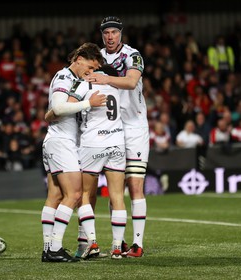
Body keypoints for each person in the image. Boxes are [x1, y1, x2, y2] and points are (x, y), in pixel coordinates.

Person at [50, 65, 127, 259]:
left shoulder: (84, 84)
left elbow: (62, 108)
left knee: (83, 194)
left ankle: (92, 243)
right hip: (117, 142)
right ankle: (117, 247)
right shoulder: (116, 86)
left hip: (93, 144)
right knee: (117, 196)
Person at [87, 16, 149, 257]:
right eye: (106, 33)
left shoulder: (133, 55)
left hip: (134, 128)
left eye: (113, 32)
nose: (109, 36)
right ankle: (119, 243)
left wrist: (105, 78)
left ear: (121, 34)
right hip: (111, 128)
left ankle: (138, 243)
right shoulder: (98, 58)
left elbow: (132, 82)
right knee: (115, 187)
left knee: (134, 185)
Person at [41, 42, 105, 262]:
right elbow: (58, 109)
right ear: (79, 59)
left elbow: (53, 112)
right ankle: (55, 249)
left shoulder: (73, 80)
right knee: (75, 194)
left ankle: (48, 248)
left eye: (95, 69)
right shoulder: (63, 77)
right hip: (62, 142)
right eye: (91, 66)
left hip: (56, 140)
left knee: (55, 196)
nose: (92, 71)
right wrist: (89, 103)